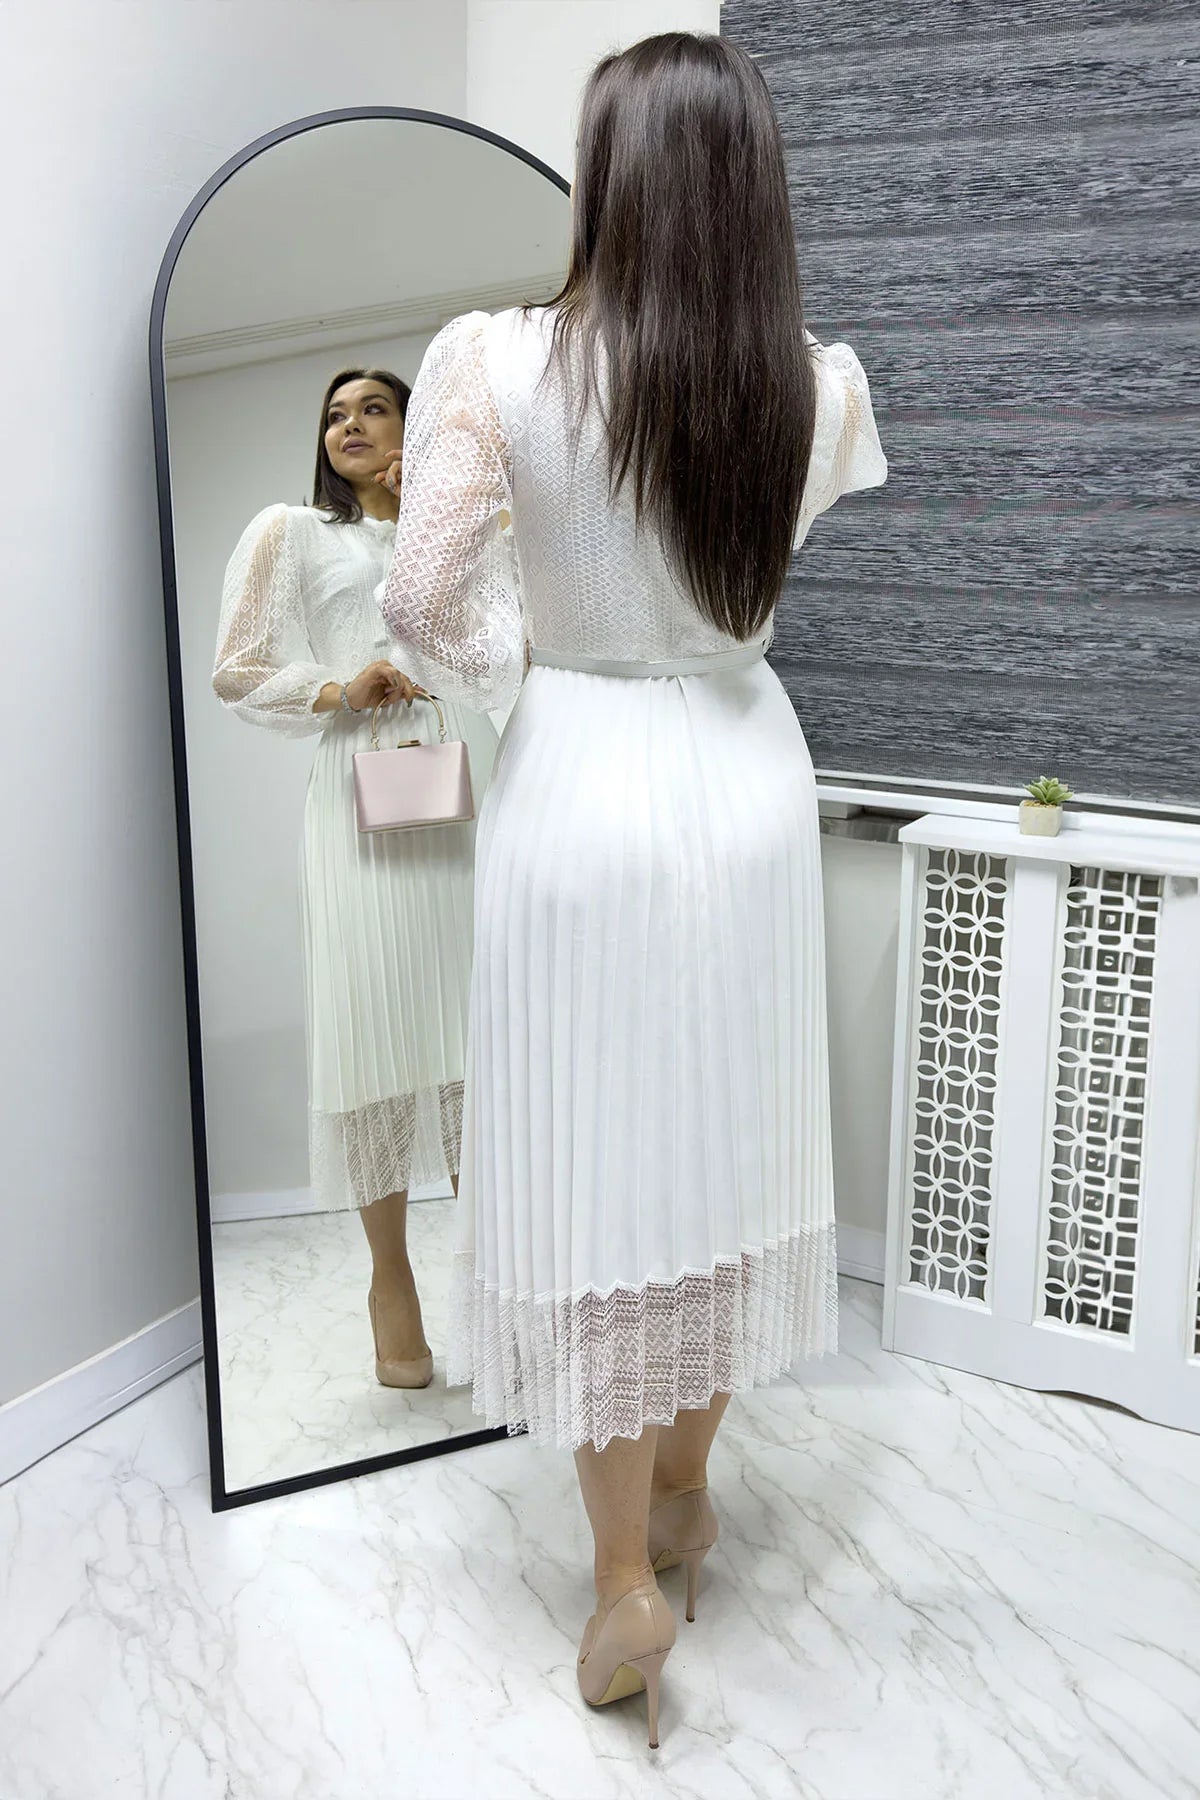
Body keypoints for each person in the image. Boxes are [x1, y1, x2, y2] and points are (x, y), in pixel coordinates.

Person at [378, 31, 886, 1745]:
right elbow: (746, 564)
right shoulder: (811, 387)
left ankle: (620, 1581)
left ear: (607, 173)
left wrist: (529, 669)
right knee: (725, 1151)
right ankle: (685, 1492)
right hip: (747, 773)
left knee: (600, 1167)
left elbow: (423, 599)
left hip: (580, 781)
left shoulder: (495, 360)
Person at [213, 367, 498, 1390]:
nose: (349, 425)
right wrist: (340, 686)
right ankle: (391, 1280)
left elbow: (508, 646)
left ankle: (491, 1282)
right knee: (372, 1029)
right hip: (358, 796)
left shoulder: (460, 539)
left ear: (413, 430)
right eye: (334, 415)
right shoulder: (290, 532)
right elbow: (238, 667)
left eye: (374, 408)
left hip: (466, 781)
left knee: (478, 1037)